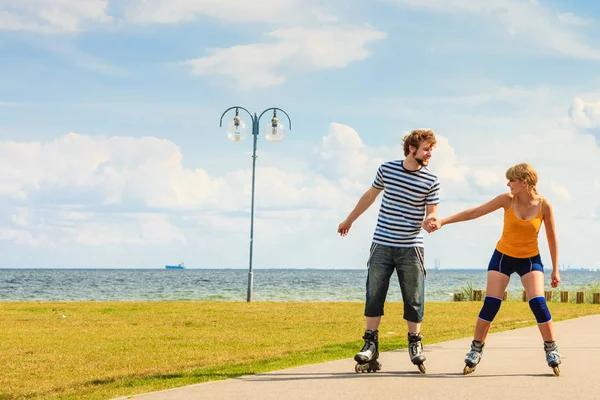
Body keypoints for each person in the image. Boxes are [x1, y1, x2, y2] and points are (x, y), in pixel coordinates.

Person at [426, 162, 562, 376]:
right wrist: (443, 221)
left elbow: (552, 238)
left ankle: (551, 348)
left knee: (538, 302)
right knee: (491, 304)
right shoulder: (506, 200)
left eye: (511, 180)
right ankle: (476, 349)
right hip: (503, 257)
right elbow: (475, 212)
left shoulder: (544, 206)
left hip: (529, 259)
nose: (508, 184)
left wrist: (555, 270)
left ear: (524, 181)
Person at [337, 129, 440, 374]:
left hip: (411, 247)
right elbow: (370, 196)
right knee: (374, 294)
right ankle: (370, 344)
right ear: (411, 149)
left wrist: (432, 221)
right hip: (382, 243)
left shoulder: (431, 179)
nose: (429, 154)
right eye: (426, 149)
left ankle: (415, 343)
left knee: (414, 297)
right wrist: (349, 220)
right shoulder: (387, 169)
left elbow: (432, 211)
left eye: (431, 150)